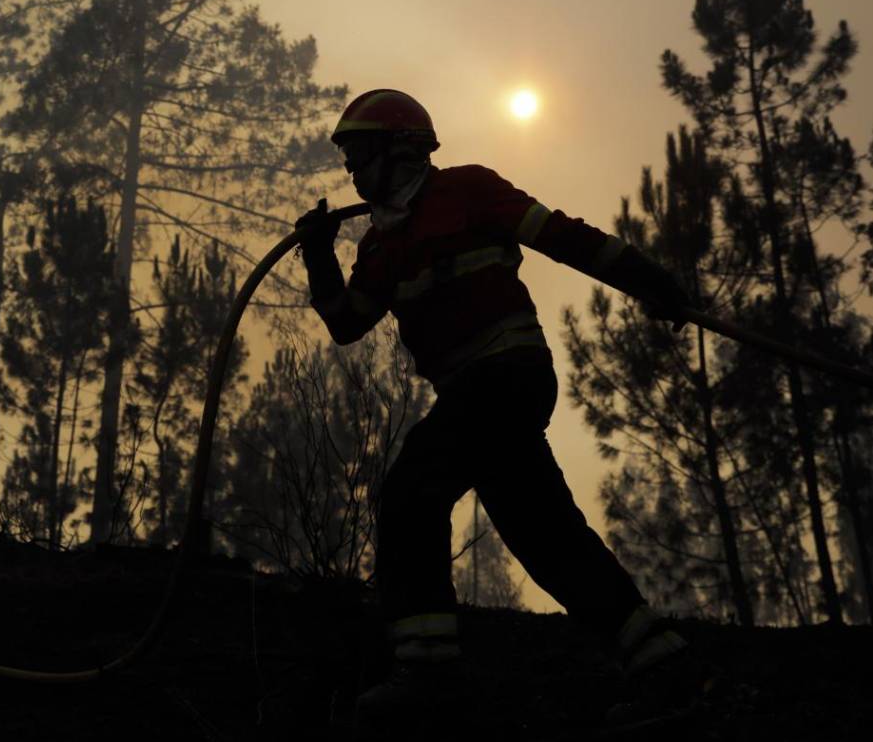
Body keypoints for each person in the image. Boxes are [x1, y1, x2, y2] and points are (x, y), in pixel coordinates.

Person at [293, 89, 710, 725]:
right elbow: (348, 322)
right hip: (471, 395)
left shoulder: (469, 190)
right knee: (545, 535)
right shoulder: (378, 248)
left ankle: (429, 670)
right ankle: (664, 664)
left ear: (402, 149)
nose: (350, 171)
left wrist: (649, 281)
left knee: (413, 491)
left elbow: (564, 238)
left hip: (507, 375)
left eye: (359, 153)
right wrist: (321, 256)